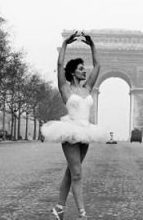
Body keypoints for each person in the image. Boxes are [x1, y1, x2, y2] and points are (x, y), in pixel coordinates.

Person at [41, 31, 106, 220]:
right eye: (80, 68)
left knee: (71, 172)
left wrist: (92, 44)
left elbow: (98, 65)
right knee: (77, 174)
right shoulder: (65, 88)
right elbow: (59, 64)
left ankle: (59, 209)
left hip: (86, 133)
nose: (84, 70)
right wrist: (65, 44)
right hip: (70, 132)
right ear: (72, 72)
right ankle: (82, 214)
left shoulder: (88, 88)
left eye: (84, 68)